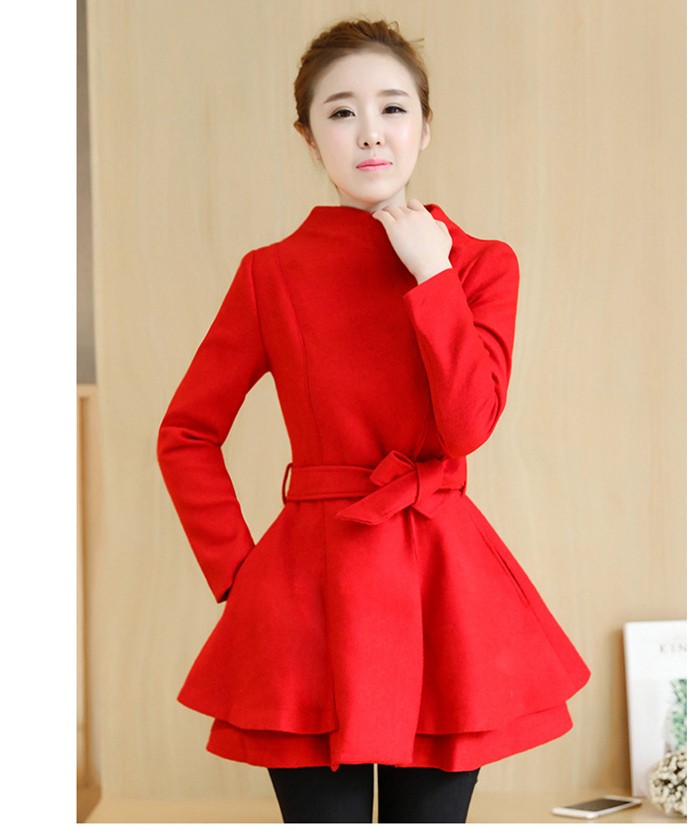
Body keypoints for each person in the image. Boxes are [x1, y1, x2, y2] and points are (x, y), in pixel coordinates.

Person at [157, 17, 591, 824]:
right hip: (309, 595)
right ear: (307, 136)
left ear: (425, 127)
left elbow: (466, 426)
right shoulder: (271, 275)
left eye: (393, 108)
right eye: (341, 112)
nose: (370, 133)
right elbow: (186, 433)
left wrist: (432, 275)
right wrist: (240, 575)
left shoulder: (482, 264)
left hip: (443, 586)